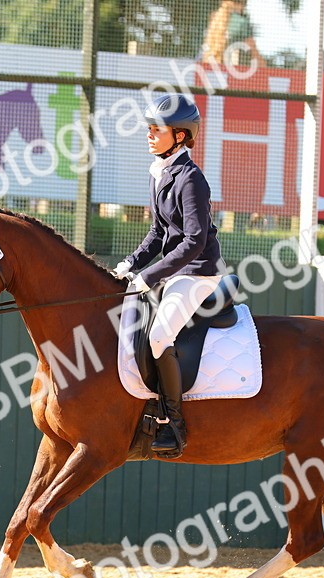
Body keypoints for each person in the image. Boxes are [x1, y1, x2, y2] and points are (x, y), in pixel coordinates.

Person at [113, 95, 224, 459]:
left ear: (180, 136)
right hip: (174, 271)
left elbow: (194, 241)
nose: (149, 135)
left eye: (156, 130)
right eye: (148, 128)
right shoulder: (159, 172)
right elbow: (159, 232)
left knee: (160, 336)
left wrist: (151, 275)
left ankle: (173, 423)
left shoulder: (191, 179)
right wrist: (131, 263)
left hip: (197, 273)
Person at [201, 0, 265, 70]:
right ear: (240, 3)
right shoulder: (241, 22)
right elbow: (254, 52)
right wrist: (266, 71)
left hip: (209, 68)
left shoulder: (214, 20)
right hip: (231, 71)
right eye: (244, 3)